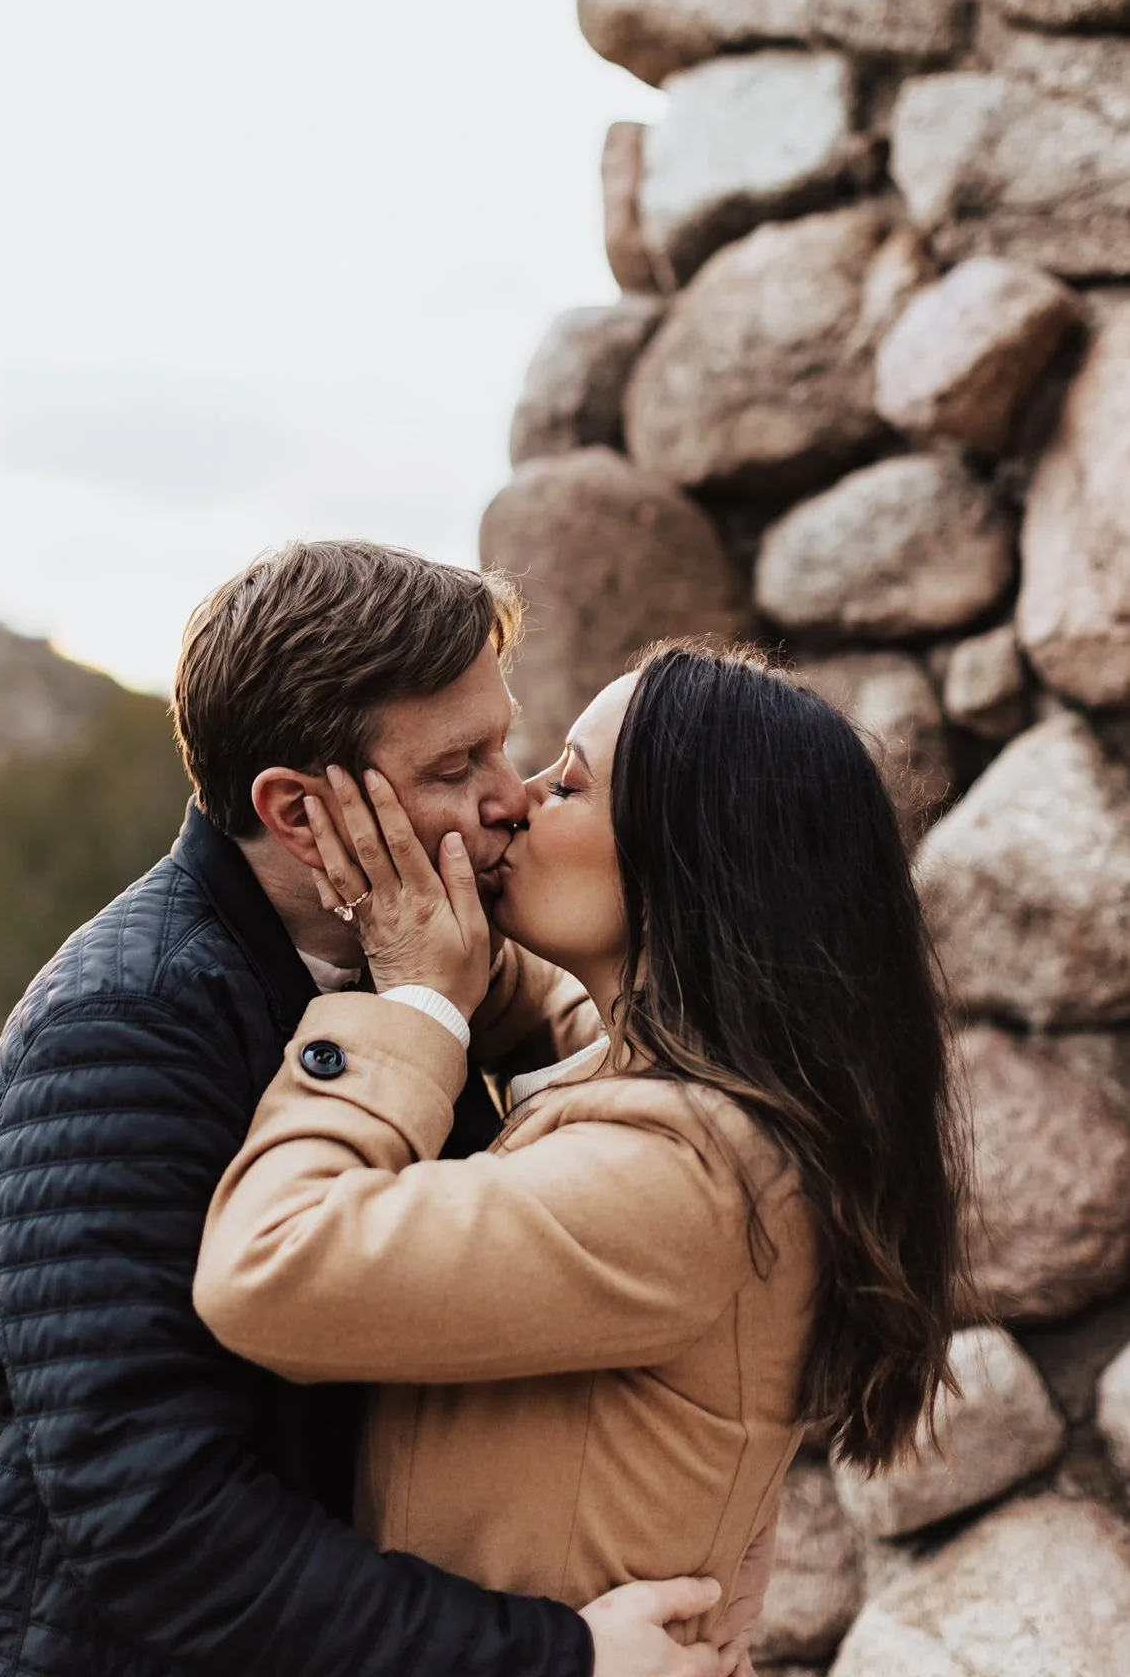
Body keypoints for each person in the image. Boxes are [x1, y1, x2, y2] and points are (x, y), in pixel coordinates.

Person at [0, 542, 758, 1677]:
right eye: (458, 764)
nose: (510, 795)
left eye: (502, 740)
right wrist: (552, 1658)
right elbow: (153, 1517)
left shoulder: (420, 968)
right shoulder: (126, 1026)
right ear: (301, 814)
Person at [194, 644, 969, 1648]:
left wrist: (415, 1002)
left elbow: (267, 1267)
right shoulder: (716, 1106)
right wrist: (442, 931)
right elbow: (575, 1031)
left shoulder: (687, 1171)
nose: (514, 800)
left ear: (687, 858)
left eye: (569, 781)